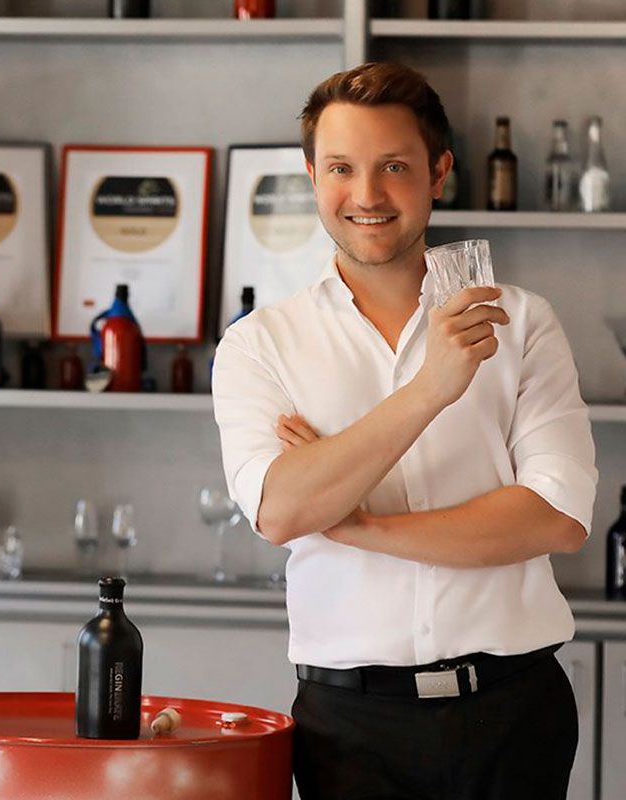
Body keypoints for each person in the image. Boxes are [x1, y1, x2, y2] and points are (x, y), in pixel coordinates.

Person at [211, 62, 596, 800]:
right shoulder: (260, 345)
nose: (367, 195)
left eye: (394, 166)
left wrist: (355, 525)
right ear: (311, 176)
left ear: (439, 172)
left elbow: (557, 517)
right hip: (349, 728)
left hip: (515, 713)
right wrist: (430, 390)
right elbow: (282, 510)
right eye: (341, 168)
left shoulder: (521, 322)